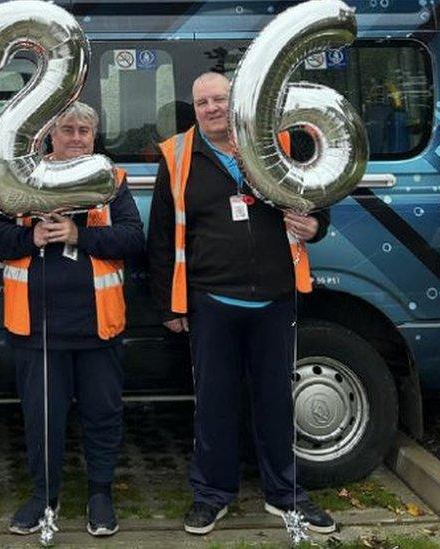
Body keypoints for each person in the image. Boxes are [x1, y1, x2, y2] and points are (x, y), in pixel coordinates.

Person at [147, 72, 335, 535]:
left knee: (275, 402)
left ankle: (286, 494)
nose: (211, 107)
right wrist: (170, 306)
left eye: (219, 99)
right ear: (194, 109)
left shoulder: (277, 143)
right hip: (211, 300)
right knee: (213, 404)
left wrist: (318, 226)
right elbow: (159, 239)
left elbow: (317, 197)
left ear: (236, 103)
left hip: (274, 298)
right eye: (202, 101)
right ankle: (212, 496)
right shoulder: (176, 155)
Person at [0, 102, 145, 537]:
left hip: (98, 325)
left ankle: (100, 495)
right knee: (41, 419)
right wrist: (27, 236)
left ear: (94, 137)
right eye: (66, 129)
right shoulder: (22, 177)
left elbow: (132, 238)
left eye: (84, 130)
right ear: (49, 136)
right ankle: (43, 497)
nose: (75, 137)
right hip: (37, 328)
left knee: (102, 415)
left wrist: (78, 235)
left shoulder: (113, 181)